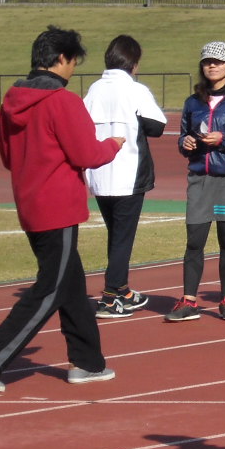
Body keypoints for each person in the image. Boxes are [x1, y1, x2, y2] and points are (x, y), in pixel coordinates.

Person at [0, 25, 123, 392]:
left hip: (29, 202)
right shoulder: (63, 101)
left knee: (71, 285)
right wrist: (113, 144)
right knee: (52, 287)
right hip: (59, 206)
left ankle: (88, 362)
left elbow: (7, 157)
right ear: (63, 58)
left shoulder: (10, 100)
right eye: (73, 63)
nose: (73, 70)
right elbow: (87, 154)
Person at [165, 41, 225, 323]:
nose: (212, 66)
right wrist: (187, 142)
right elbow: (182, 139)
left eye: (218, 61)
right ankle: (189, 300)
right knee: (194, 241)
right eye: (207, 61)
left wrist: (224, 139)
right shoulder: (193, 102)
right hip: (200, 178)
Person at [84, 34, 167, 318]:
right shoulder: (135, 90)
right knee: (123, 238)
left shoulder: (94, 89)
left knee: (116, 235)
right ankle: (109, 298)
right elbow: (157, 126)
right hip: (128, 173)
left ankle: (122, 289)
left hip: (97, 173)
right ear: (133, 62)